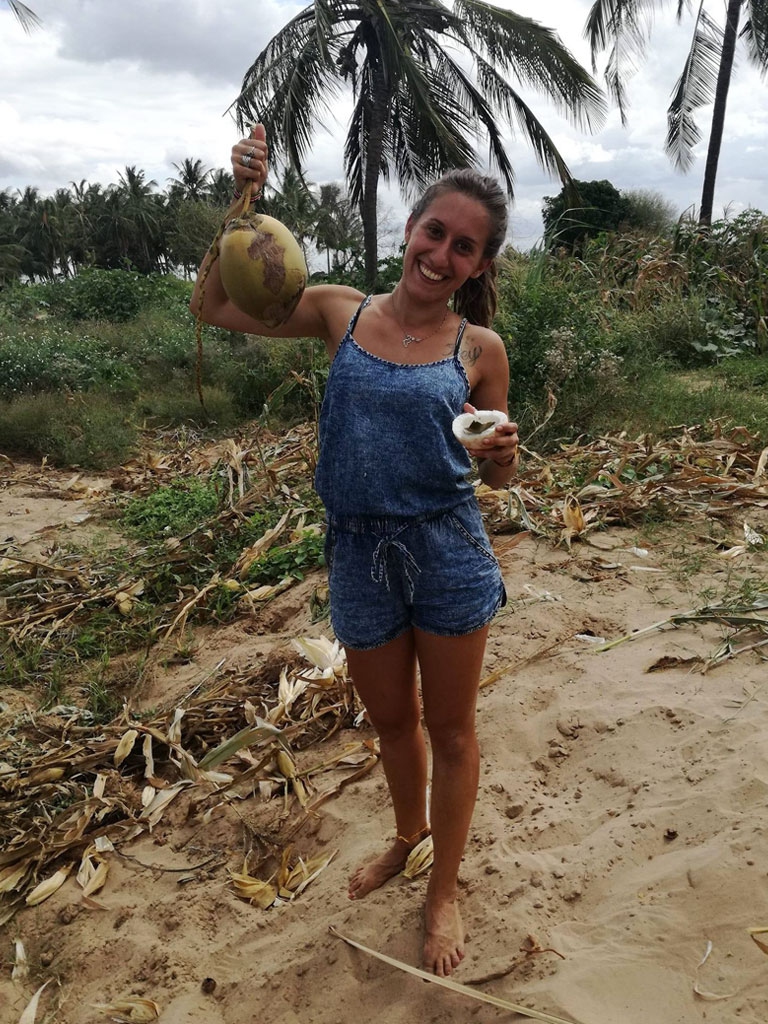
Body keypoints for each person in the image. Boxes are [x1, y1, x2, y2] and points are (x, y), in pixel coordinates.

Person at [191, 125, 520, 978]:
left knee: (450, 729)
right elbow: (213, 308)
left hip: (448, 551)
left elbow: (499, 482)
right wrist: (240, 211)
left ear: (480, 266)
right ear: (409, 230)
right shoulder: (341, 310)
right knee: (391, 724)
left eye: (464, 247)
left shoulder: (479, 350)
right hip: (359, 554)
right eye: (434, 233)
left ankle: (441, 886)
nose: (442, 254)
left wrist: (504, 455)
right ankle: (408, 837)